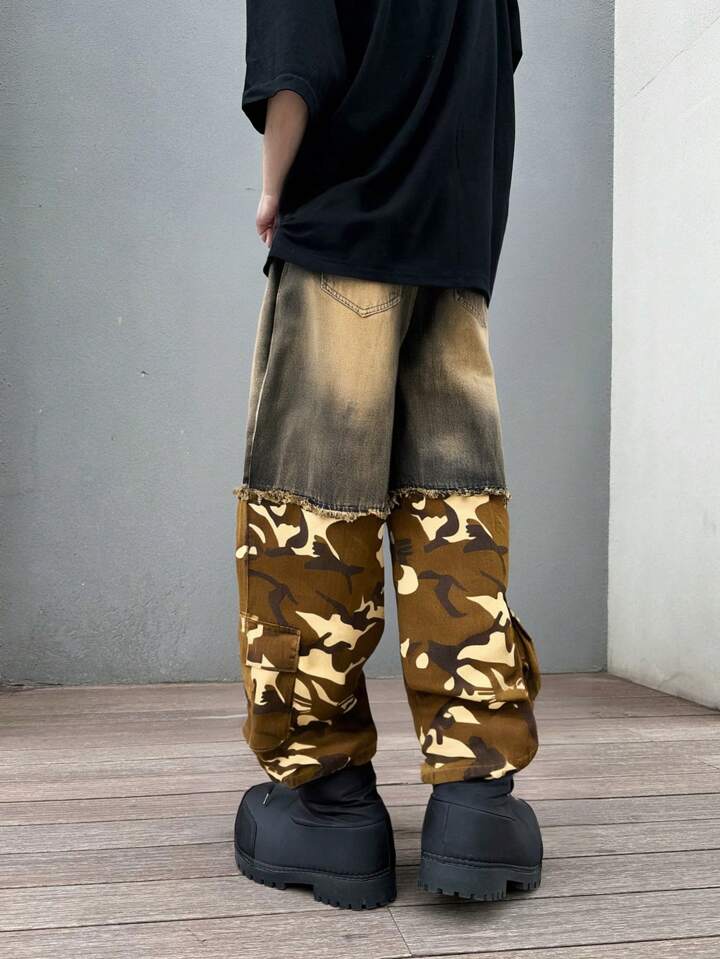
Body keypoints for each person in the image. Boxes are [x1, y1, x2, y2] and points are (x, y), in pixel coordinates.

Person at [233, 0, 542, 909]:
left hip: (344, 230)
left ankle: (326, 799)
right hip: (454, 249)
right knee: (455, 512)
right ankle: (476, 796)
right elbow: (497, 66)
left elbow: (295, 60)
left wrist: (272, 188)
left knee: (311, 507)